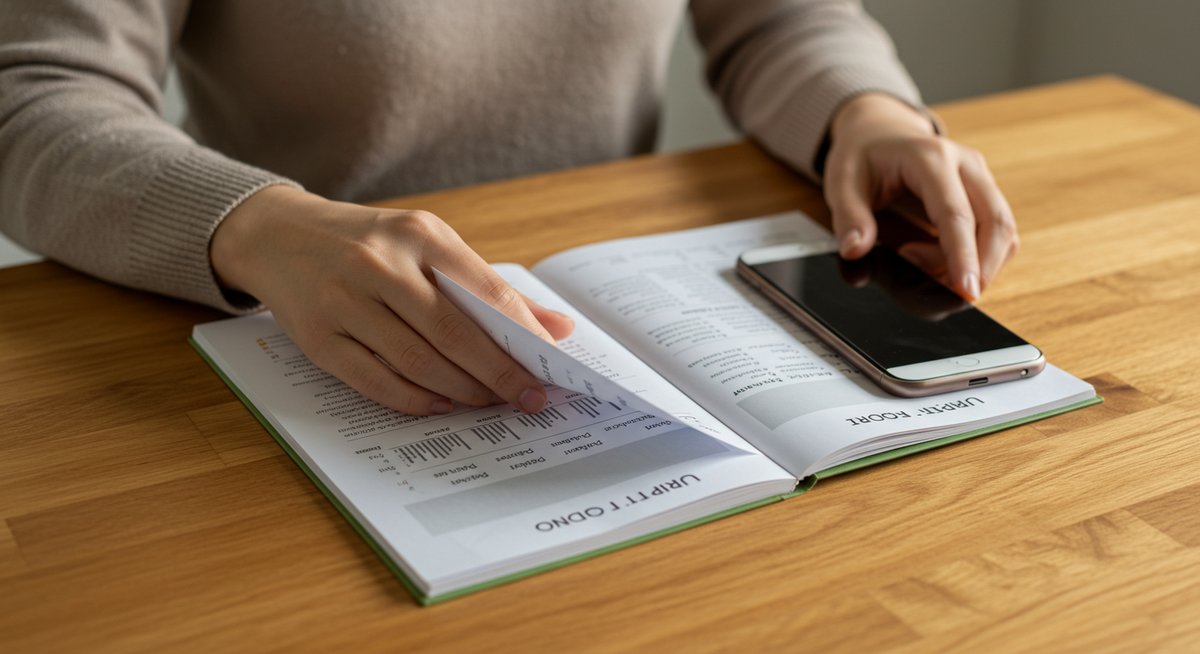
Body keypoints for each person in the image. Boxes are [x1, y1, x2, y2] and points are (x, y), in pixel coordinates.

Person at [0, 1, 1018, 416]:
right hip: (311, 332)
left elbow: (779, 15)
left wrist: (867, 113)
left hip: (614, 313)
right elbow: (33, 91)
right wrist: (254, 223)